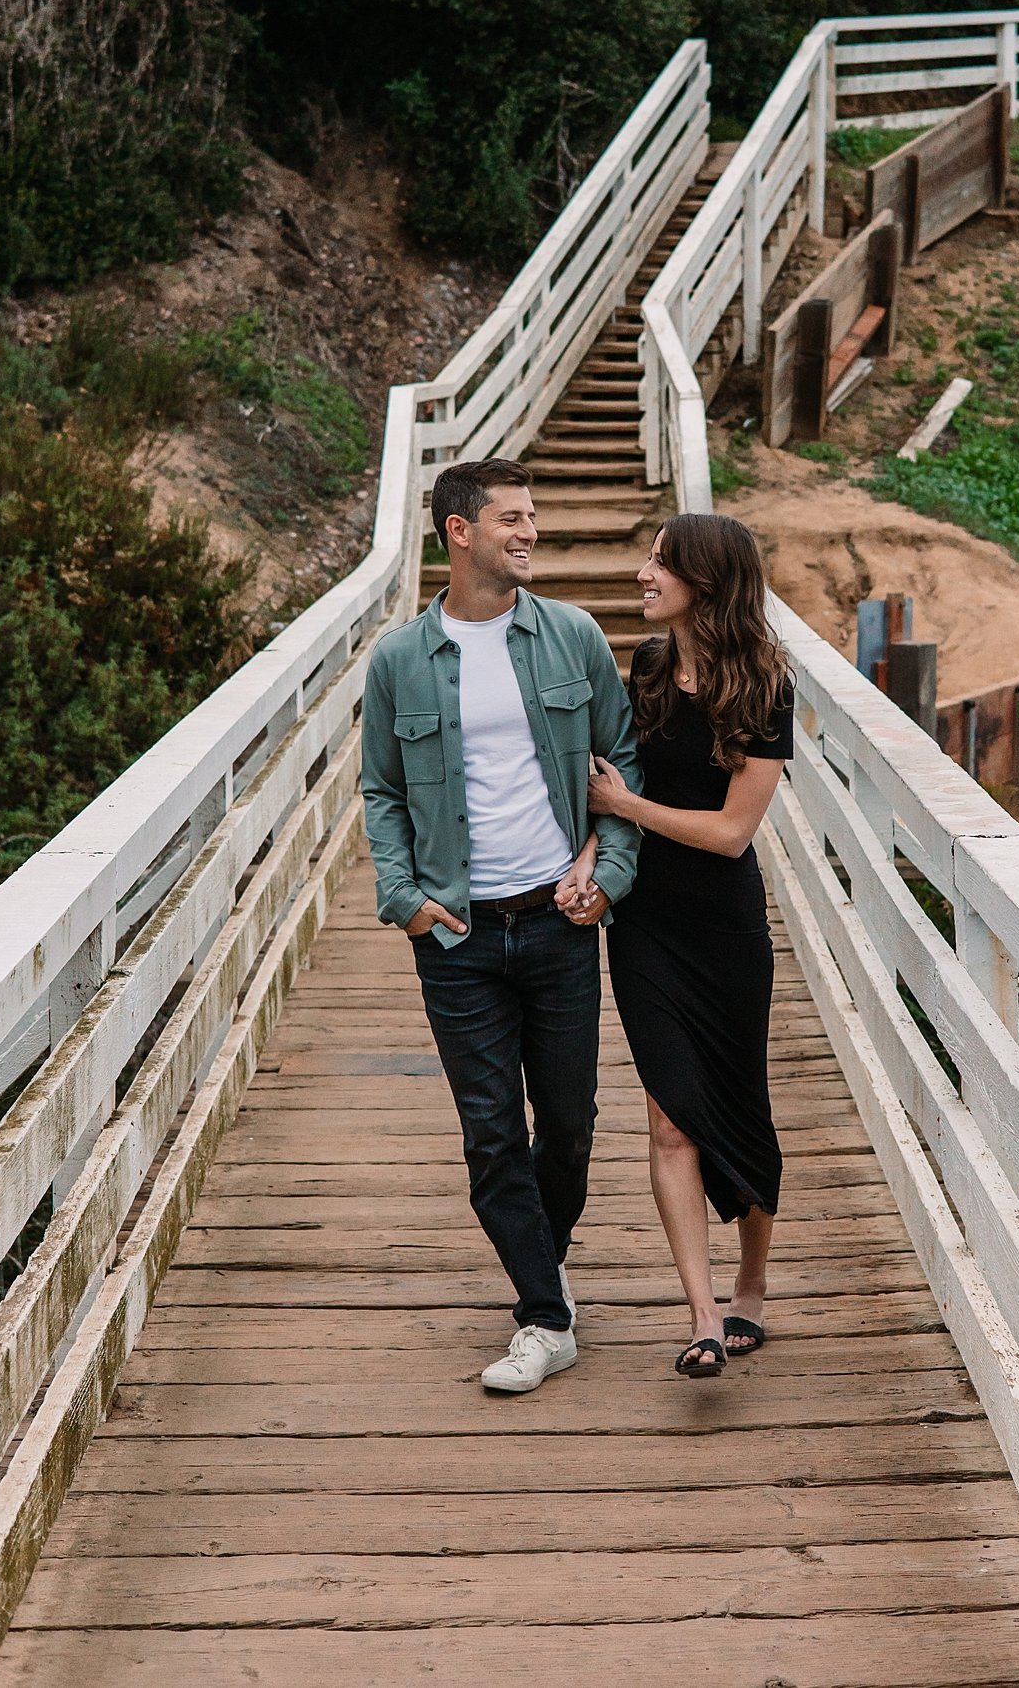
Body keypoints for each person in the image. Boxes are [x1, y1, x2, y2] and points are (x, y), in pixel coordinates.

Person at [361, 459, 642, 1394]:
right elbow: (382, 791)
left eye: (534, 518)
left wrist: (608, 868)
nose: (529, 533)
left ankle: (539, 1264)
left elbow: (622, 761)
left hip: (560, 923)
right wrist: (404, 899)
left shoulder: (572, 637)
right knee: (490, 1134)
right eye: (512, 519)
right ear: (460, 532)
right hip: (458, 937)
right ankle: (544, 1314)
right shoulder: (401, 659)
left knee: (567, 1126)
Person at [581, 512, 792, 1377]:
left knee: (740, 1113)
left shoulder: (767, 686)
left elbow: (732, 833)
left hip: (726, 927)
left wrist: (622, 812)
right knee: (670, 1118)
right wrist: (596, 856)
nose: (642, 573)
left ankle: (751, 1283)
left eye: (661, 563)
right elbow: (625, 776)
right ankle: (702, 1316)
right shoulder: (652, 664)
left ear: (705, 581)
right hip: (647, 927)